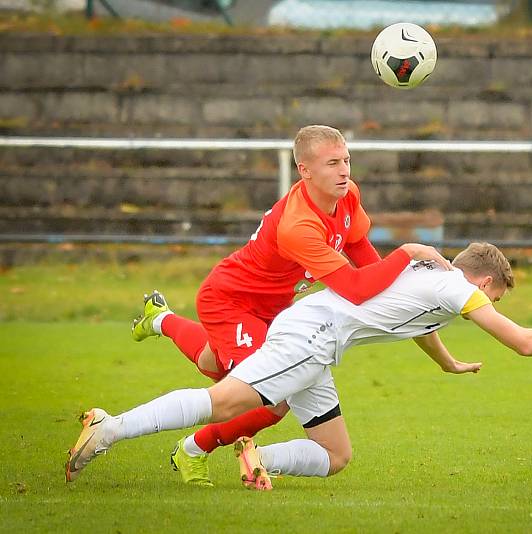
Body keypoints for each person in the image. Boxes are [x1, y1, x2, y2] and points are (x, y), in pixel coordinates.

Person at [66, 243, 532, 489]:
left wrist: (450, 364)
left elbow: (423, 327)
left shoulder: (429, 280)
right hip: (310, 336)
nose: (491, 307)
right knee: (226, 398)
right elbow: (522, 343)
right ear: (481, 284)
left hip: (317, 339)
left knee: (335, 453)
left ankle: (258, 459)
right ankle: (110, 427)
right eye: (494, 299)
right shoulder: (452, 287)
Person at [129, 124, 451, 486]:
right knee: (271, 398)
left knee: (212, 362)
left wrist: (409, 306)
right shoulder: (297, 224)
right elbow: (357, 289)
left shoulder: (346, 195)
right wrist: (405, 255)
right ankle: (191, 449)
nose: (344, 170)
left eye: (346, 160)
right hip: (232, 300)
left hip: (276, 308)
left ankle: (161, 319)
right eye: (332, 163)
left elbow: (364, 256)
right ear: (305, 170)